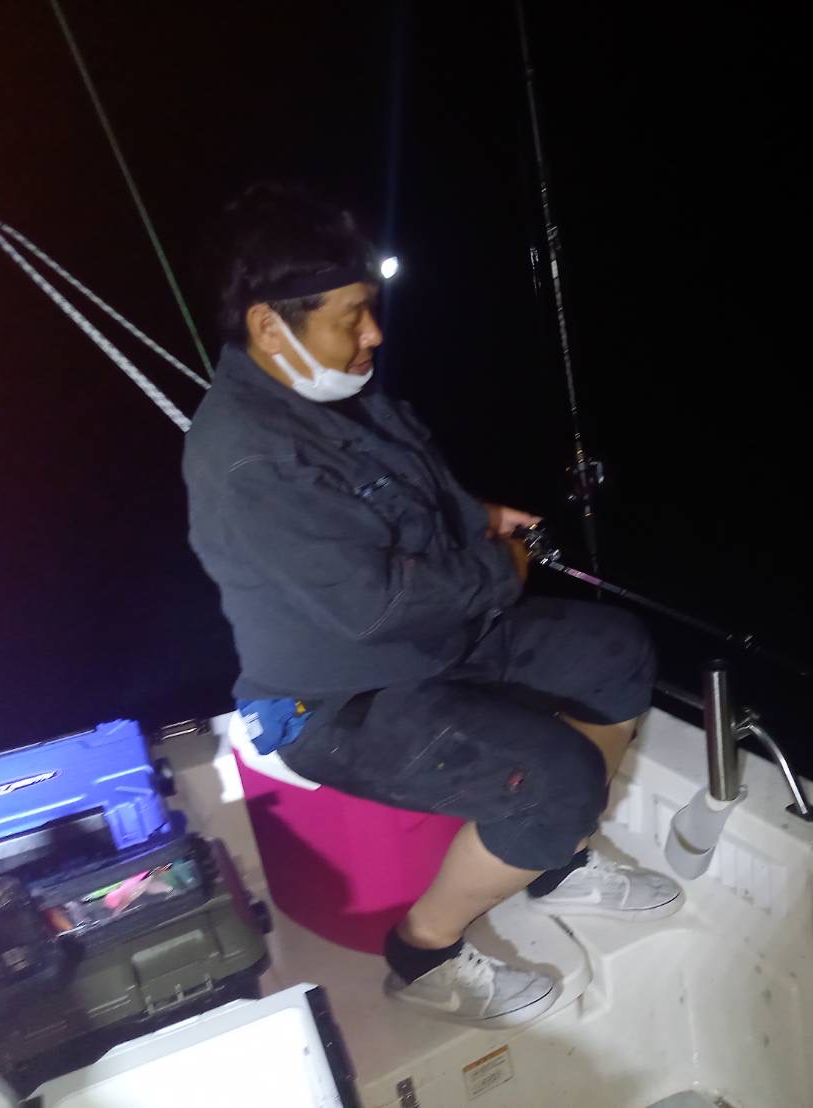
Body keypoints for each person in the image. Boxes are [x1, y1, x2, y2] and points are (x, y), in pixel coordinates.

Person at [182, 183, 681, 1029]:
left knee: (615, 653)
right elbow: (375, 606)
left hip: (436, 642)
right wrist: (500, 567)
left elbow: (395, 498)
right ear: (269, 326)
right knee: (556, 776)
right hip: (335, 700)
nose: (373, 333)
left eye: (370, 310)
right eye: (351, 316)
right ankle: (423, 954)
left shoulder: (332, 389)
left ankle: (554, 858)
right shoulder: (249, 460)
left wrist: (476, 518)